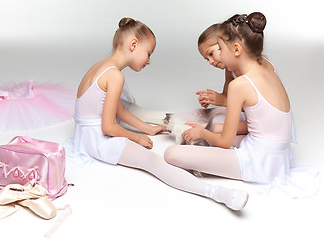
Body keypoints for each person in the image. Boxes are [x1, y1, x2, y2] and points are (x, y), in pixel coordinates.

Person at [64, 17, 249, 211]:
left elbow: (118, 111)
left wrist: (147, 129)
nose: (149, 61)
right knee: (152, 161)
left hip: (83, 137)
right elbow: (108, 127)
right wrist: (138, 138)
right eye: (148, 53)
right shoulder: (115, 76)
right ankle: (215, 192)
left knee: (154, 151)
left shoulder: (102, 67)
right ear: (134, 45)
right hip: (97, 142)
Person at [164, 12, 314, 196]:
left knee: (171, 154)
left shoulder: (239, 86)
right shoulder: (267, 70)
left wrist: (203, 132)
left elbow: (225, 143)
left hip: (258, 161)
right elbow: (259, 125)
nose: (215, 56)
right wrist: (210, 128)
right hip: (279, 157)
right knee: (213, 132)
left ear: (236, 49)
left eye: (219, 47)